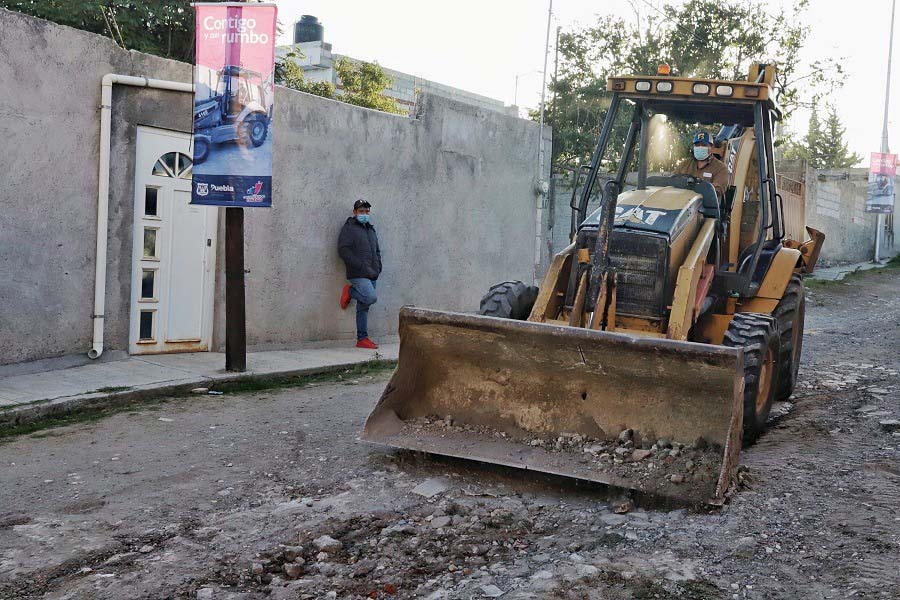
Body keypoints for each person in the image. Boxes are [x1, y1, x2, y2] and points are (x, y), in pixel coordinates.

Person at [338, 199, 382, 349]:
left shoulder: (370, 229)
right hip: (357, 273)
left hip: (372, 273)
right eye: (361, 211)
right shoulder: (349, 228)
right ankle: (350, 291)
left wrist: (378, 267)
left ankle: (362, 339)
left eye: (366, 211)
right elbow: (343, 250)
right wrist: (360, 265)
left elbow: (376, 250)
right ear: (355, 212)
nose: (364, 214)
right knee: (370, 297)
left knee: (364, 306)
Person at [675, 131, 729, 198]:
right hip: (681, 204)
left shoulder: (721, 168)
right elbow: (672, 182)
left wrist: (695, 188)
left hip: (706, 206)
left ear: (712, 147)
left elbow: (718, 190)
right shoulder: (684, 164)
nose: (700, 147)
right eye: (697, 145)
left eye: (704, 145)